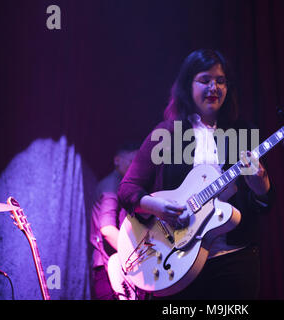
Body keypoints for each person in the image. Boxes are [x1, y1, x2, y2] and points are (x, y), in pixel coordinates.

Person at [117, 49, 273, 300]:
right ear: (187, 85)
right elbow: (127, 190)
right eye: (205, 80)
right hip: (177, 262)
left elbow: (263, 205)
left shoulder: (243, 132)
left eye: (221, 81)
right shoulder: (166, 134)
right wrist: (157, 207)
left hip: (234, 260)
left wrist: (261, 187)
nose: (214, 87)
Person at [90, 142, 139, 300]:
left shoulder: (120, 185)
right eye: (131, 161)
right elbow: (107, 229)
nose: (135, 167)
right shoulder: (112, 186)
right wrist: (139, 257)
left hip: (113, 267)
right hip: (108, 270)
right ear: (117, 160)